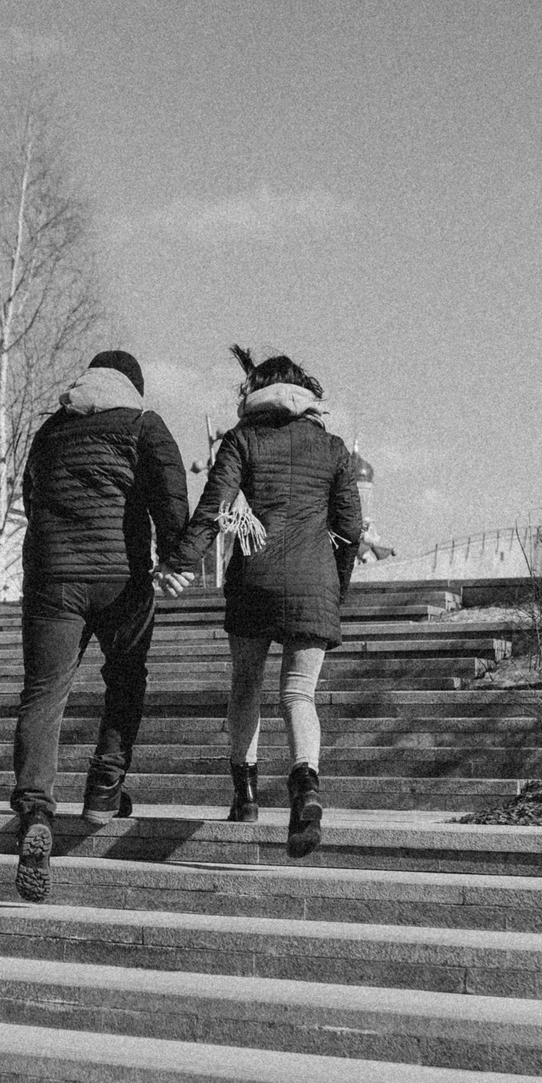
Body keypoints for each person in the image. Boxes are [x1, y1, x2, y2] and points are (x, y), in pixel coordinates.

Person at [157, 346, 363, 858]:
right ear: (306, 395)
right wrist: (336, 584)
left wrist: (179, 563)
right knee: (298, 695)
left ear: (255, 395)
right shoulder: (334, 448)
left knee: (246, 686)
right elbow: (351, 528)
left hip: (253, 580)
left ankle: (245, 797)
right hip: (314, 583)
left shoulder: (241, 441)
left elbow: (213, 508)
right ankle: (307, 792)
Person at [8, 348, 188, 902]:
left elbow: (29, 498)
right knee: (127, 678)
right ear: (133, 387)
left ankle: (36, 812)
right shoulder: (142, 424)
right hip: (121, 577)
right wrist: (176, 558)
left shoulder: (48, 432)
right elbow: (171, 497)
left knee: (43, 694)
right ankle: (104, 789)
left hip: (52, 580)